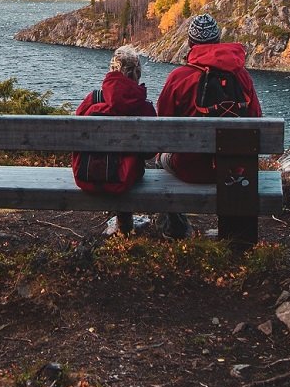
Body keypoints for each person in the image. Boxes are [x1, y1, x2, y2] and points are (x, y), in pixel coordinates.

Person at [154, 13, 263, 237]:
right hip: (235, 172)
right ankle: (233, 235)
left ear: (190, 43)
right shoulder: (241, 76)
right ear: (218, 41)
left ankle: (176, 230)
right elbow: (256, 118)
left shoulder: (179, 78)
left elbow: (162, 127)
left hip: (189, 168)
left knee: (159, 160)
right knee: (235, 158)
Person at [75, 45, 156, 234]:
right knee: (129, 163)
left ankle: (123, 225)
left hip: (86, 176)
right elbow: (149, 153)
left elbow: (77, 136)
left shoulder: (93, 99)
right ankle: (127, 225)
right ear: (137, 73)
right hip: (126, 178)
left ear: (111, 70)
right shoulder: (143, 107)